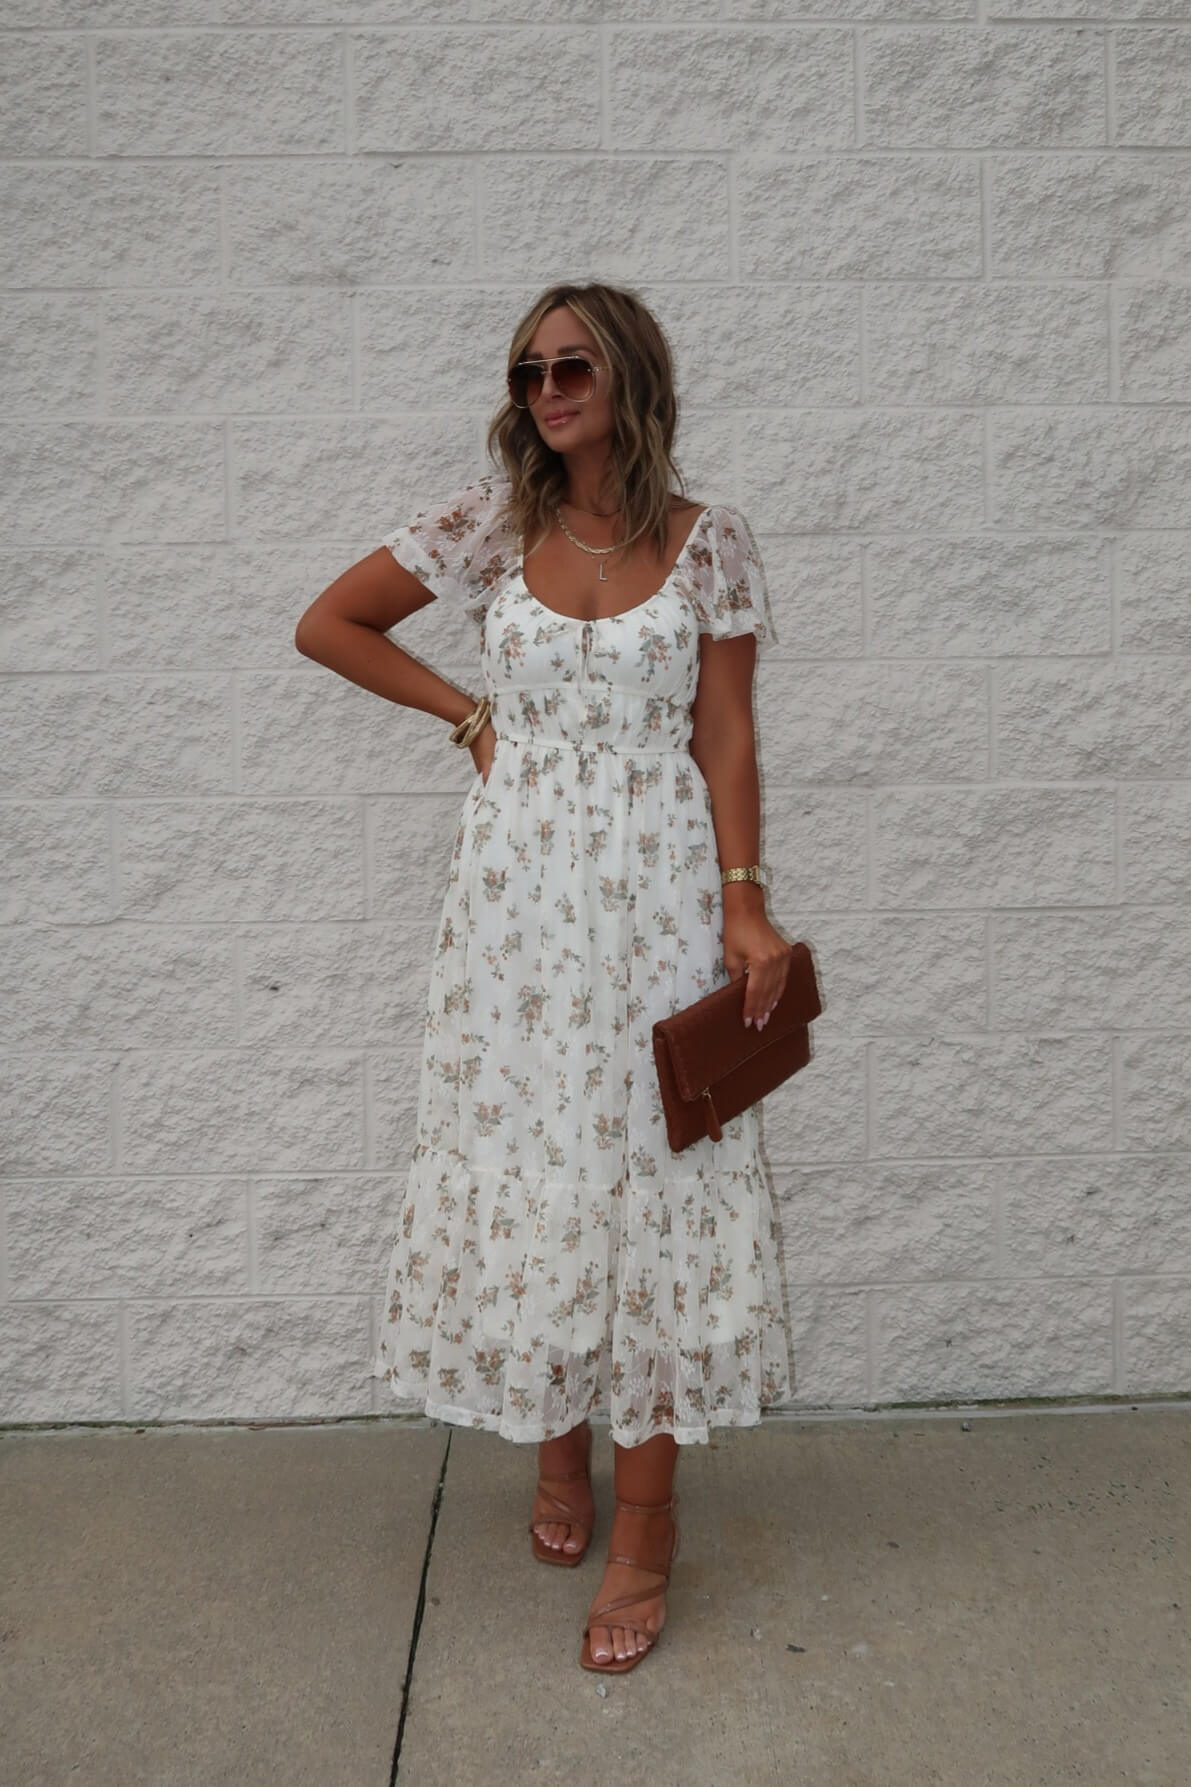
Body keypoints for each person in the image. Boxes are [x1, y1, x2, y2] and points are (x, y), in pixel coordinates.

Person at [294, 281, 795, 1674]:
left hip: (662, 899)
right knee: (538, 1165)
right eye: (527, 371)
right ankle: (554, 1457)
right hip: (514, 913)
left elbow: (732, 739)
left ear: (629, 375)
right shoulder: (491, 522)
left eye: (571, 364)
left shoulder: (710, 544)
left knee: (650, 1175)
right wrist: (470, 721)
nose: (548, 389)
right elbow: (330, 624)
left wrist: (747, 910)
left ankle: (645, 1527)